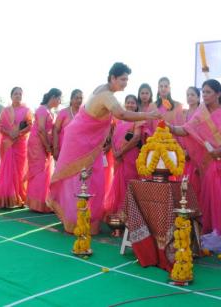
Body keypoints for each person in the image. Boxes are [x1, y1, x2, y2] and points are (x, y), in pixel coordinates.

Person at [48, 62, 160, 234]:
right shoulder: (106, 95)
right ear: (113, 78)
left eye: (127, 79)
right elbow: (121, 114)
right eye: (123, 79)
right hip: (80, 142)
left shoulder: (104, 90)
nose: (125, 83)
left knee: (92, 179)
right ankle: (77, 221)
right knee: (81, 179)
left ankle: (84, 220)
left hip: (86, 141)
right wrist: (148, 115)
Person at [169, 79, 221, 248]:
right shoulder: (201, 113)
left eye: (208, 92)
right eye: (203, 92)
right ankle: (215, 231)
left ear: (218, 94)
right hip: (210, 162)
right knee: (211, 196)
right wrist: (171, 128)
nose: (204, 95)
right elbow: (186, 129)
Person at [104, 95, 142, 230]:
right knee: (118, 185)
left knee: (129, 185)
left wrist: (121, 152)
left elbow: (136, 138)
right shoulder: (119, 119)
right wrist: (114, 152)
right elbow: (113, 138)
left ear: (136, 105)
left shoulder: (138, 119)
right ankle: (120, 216)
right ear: (124, 104)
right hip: (118, 159)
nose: (130, 105)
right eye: (128, 102)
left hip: (131, 158)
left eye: (133, 103)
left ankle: (131, 217)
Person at [0, 87, 32, 208]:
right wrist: (9, 133)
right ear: (11, 96)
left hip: (20, 144)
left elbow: (30, 126)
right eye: (15, 94)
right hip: (8, 143)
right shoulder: (6, 111)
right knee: (8, 171)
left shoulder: (27, 110)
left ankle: (19, 197)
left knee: (20, 171)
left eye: (20, 94)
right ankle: (7, 198)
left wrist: (18, 133)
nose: (18, 96)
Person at [26, 88, 61, 212]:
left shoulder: (50, 111)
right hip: (37, 144)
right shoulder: (42, 109)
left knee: (45, 172)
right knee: (39, 172)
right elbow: (41, 129)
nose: (60, 101)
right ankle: (37, 204)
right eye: (59, 98)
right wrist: (47, 146)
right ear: (53, 97)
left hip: (44, 144)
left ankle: (42, 202)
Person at [181, 87, 201, 200]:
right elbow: (182, 132)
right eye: (188, 95)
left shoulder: (202, 112)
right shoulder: (185, 113)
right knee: (185, 183)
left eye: (192, 95)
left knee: (197, 183)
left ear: (198, 97)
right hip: (185, 151)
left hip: (198, 151)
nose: (189, 97)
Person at [52, 89, 83, 160]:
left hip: (79, 150)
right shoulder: (63, 112)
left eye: (81, 98)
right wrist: (55, 148)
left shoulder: (83, 113)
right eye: (76, 98)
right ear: (71, 99)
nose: (79, 100)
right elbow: (55, 130)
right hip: (64, 149)